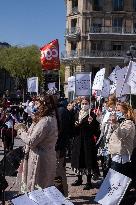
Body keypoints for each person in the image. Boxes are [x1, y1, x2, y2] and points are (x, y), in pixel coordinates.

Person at [15, 95, 58, 192]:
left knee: (37, 188)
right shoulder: (47, 118)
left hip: (40, 159)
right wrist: (26, 129)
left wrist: (21, 131)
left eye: (38, 103)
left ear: (44, 105)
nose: (35, 106)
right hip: (43, 156)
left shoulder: (45, 121)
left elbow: (31, 141)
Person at [71, 97, 100, 190]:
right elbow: (72, 128)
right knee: (78, 159)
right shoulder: (76, 114)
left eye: (86, 103)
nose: (84, 105)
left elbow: (96, 132)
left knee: (88, 160)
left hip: (88, 142)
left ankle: (88, 181)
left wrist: (92, 123)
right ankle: (79, 179)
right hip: (77, 141)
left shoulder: (92, 115)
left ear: (89, 104)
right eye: (83, 103)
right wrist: (75, 125)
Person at [108, 102, 135, 178]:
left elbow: (122, 135)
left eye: (119, 110)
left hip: (121, 155)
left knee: (117, 178)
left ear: (125, 112)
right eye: (116, 110)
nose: (116, 112)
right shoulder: (122, 122)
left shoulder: (129, 123)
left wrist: (114, 123)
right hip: (116, 153)